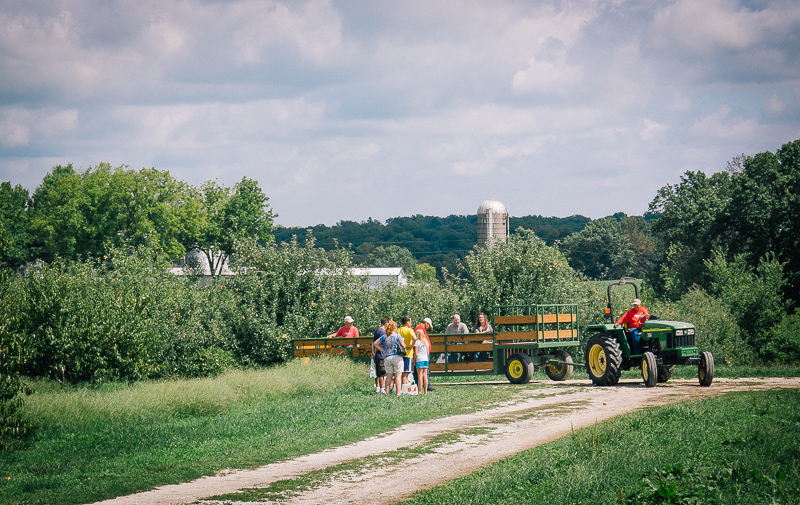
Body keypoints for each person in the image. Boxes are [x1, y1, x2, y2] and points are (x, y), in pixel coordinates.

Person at [373, 320, 405, 395]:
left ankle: (387, 393)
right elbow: (403, 345)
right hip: (397, 357)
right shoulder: (398, 335)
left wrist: (383, 351)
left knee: (388, 376)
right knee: (398, 376)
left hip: (387, 357)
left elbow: (375, 343)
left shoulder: (385, 336)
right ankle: (398, 393)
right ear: (395, 327)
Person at [414, 318, 435, 391]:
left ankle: (422, 388)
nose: (428, 327)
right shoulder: (420, 328)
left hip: (422, 356)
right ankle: (424, 388)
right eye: (429, 326)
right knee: (423, 374)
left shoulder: (421, 328)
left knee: (422, 373)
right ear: (426, 323)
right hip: (423, 355)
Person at [371, 317, 389, 393]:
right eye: (388, 323)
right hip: (380, 354)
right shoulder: (382, 332)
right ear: (386, 323)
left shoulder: (377, 330)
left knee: (377, 372)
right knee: (381, 372)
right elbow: (378, 344)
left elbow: (373, 342)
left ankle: (377, 387)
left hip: (377, 354)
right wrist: (375, 352)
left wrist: (373, 352)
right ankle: (382, 388)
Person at [398, 316, 416, 387]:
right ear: (407, 322)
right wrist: (412, 346)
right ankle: (404, 388)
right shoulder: (409, 330)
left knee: (399, 373)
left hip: (399, 353)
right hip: (407, 354)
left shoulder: (398, 330)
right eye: (410, 322)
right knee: (405, 373)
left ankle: (399, 388)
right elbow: (415, 338)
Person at [413, 328, 430, 395]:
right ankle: (426, 391)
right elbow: (428, 352)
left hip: (419, 359)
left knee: (419, 376)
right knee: (425, 376)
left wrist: (414, 360)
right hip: (425, 359)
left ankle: (420, 391)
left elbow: (416, 353)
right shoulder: (426, 342)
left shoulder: (417, 342)